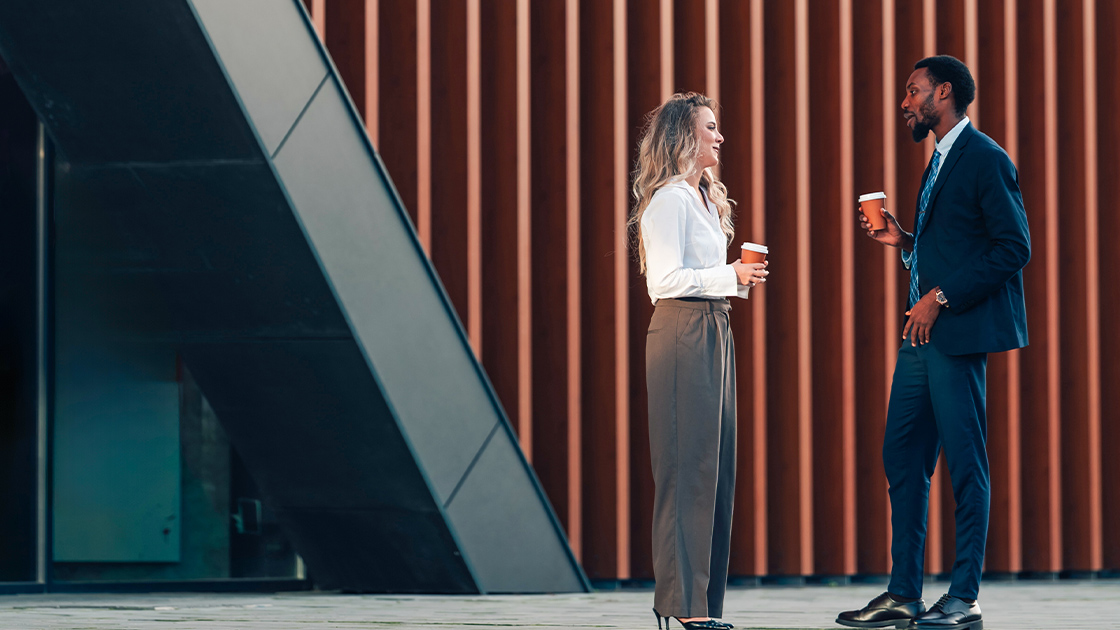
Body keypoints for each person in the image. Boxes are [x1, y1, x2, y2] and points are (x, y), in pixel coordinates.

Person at [836, 56, 1029, 630]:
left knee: (967, 465)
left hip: (956, 334)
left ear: (943, 93)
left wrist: (940, 296)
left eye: (913, 90)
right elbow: (956, 246)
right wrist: (905, 242)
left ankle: (963, 597)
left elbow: (1013, 246)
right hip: (920, 340)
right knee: (903, 457)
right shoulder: (940, 157)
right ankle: (903, 596)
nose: (905, 102)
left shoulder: (986, 159)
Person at [629, 92, 769, 630]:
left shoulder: (705, 198)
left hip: (714, 327)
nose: (719, 136)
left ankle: (702, 608)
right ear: (682, 136)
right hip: (682, 329)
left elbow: (704, 274)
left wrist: (735, 281)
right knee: (687, 470)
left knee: (715, 473)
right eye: (709, 127)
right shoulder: (669, 200)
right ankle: (683, 608)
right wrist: (728, 276)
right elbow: (661, 282)